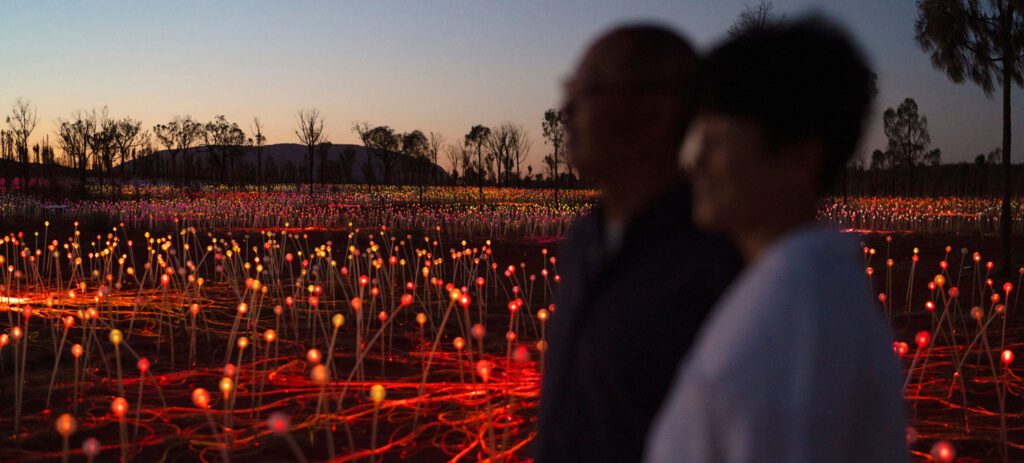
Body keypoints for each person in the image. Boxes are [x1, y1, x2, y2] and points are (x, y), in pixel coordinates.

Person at [645, 17, 907, 463]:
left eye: (715, 141)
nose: (694, 164)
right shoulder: (801, 292)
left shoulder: (796, 327)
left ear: (801, 155)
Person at [534, 24, 742, 463]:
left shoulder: (718, 268)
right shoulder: (584, 240)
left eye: (587, 90)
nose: (566, 110)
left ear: (654, 113)